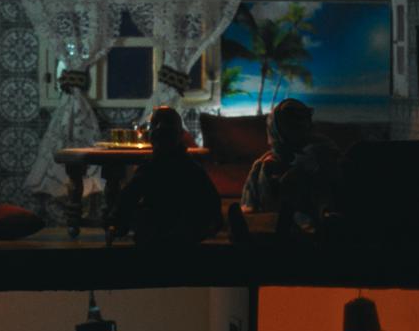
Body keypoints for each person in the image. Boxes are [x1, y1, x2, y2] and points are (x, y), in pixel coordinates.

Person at [108, 105, 223, 246]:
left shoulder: (150, 168)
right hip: (186, 233)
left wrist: (116, 224)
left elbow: (128, 197)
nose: (159, 129)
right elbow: (212, 204)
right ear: (180, 135)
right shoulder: (191, 167)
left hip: (158, 233)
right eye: (156, 125)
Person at [240, 97, 341, 233]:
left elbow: (330, 169)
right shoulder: (271, 158)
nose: (300, 125)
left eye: (302, 121)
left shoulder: (319, 146)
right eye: (293, 123)